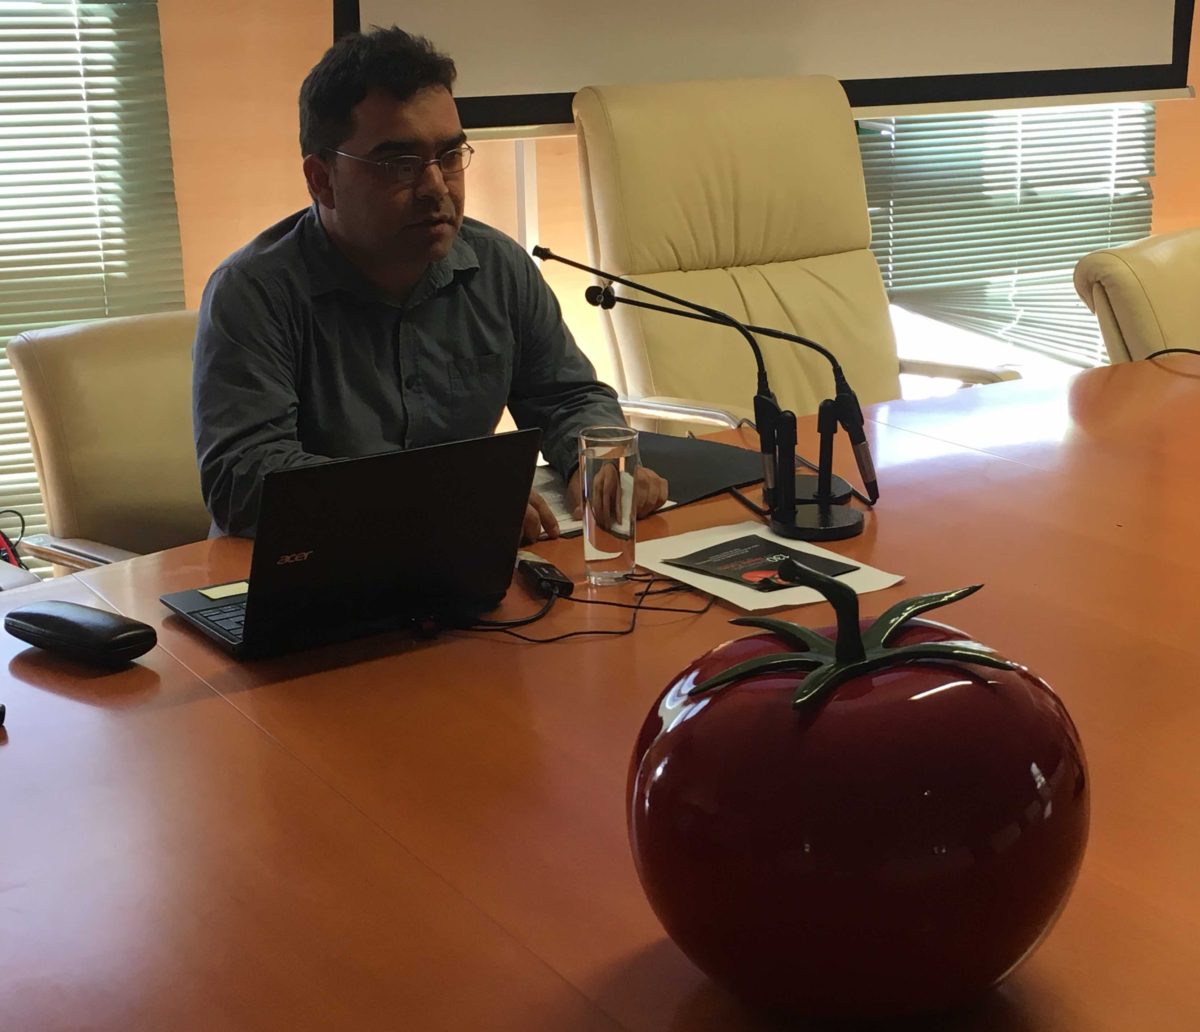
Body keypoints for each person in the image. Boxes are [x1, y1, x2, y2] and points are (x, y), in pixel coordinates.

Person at [193, 26, 667, 541]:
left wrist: (600, 462)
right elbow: (244, 477)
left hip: (468, 563)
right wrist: (437, 499)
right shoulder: (254, 293)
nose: (436, 186)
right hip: (309, 567)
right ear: (322, 180)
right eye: (400, 164)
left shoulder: (497, 266)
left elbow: (567, 398)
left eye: (449, 156)